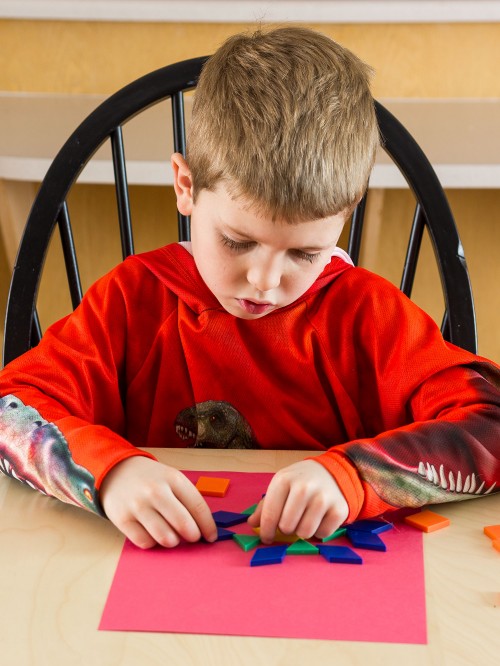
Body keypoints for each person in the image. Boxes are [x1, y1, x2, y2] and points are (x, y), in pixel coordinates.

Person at [0, 27, 499, 550]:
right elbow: (13, 408)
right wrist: (111, 474)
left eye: (306, 254)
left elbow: (493, 424)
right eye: (238, 241)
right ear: (186, 186)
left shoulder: (367, 317)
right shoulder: (132, 303)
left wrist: (354, 478)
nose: (265, 281)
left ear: (343, 219)